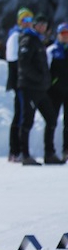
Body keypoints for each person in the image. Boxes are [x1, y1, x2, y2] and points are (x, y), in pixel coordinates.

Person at [17, 14, 63, 165]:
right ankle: (24, 155)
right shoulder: (28, 39)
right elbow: (24, 65)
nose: (42, 27)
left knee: (51, 118)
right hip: (29, 87)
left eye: (45, 25)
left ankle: (49, 153)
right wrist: (38, 78)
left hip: (41, 89)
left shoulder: (39, 41)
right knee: (27, 121)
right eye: (40, 24)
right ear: (34, 25)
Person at [6, 8, 34, 161]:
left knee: (23, 114)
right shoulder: (15, 36)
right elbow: (14, 62)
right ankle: (15, 150)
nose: (28, 23)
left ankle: (19, 150)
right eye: (25, 20)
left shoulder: (29, 36)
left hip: (27, 82)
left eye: (30, 20)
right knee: (20, 115)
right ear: (19, 21)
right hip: (20, 82)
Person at [47, 22, 68, 161]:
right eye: (63, 34)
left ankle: (66, 150)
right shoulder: (51, 50)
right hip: (54, 92)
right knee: (51, 121)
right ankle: (49, 151)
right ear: (58, 35)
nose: (65, 37)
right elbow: (45, 70)